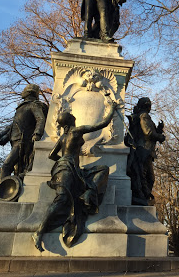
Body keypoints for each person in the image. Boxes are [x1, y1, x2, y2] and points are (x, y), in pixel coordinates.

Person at [32, 96, 117, 251]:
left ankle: (87, 194)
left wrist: (63, 160)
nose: (75, 118)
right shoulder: (77, 131)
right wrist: (112, 109)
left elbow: (51, 155)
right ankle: (39, 232)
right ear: (70, 121)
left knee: (103, 169)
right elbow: (102, 124)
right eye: (73, 117)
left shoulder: (63, 137)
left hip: (67, 168)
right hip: (67, 168)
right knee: (61, 199)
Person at [0, 84, 47, 180]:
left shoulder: (33, 105)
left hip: (23, 141)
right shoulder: (21, 108)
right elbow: (13, 126)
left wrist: (37, 133)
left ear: (29, 92)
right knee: (17, 170)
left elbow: (40, 119)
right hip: (15, 141)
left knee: (6, 167)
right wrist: (1, 136)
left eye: (24, 90)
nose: (22, 92)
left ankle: (2, 192)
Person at [124, 97, 165, 205]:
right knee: (146, 177)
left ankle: (144, 196)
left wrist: (159, 130)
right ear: (147, 105)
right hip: (144, 149)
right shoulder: (143, 115)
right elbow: (148, 132)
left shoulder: (141, 116)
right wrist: (160, 136)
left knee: (146, 176)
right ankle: (143, 196)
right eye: (149, 105)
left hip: (144, 150)